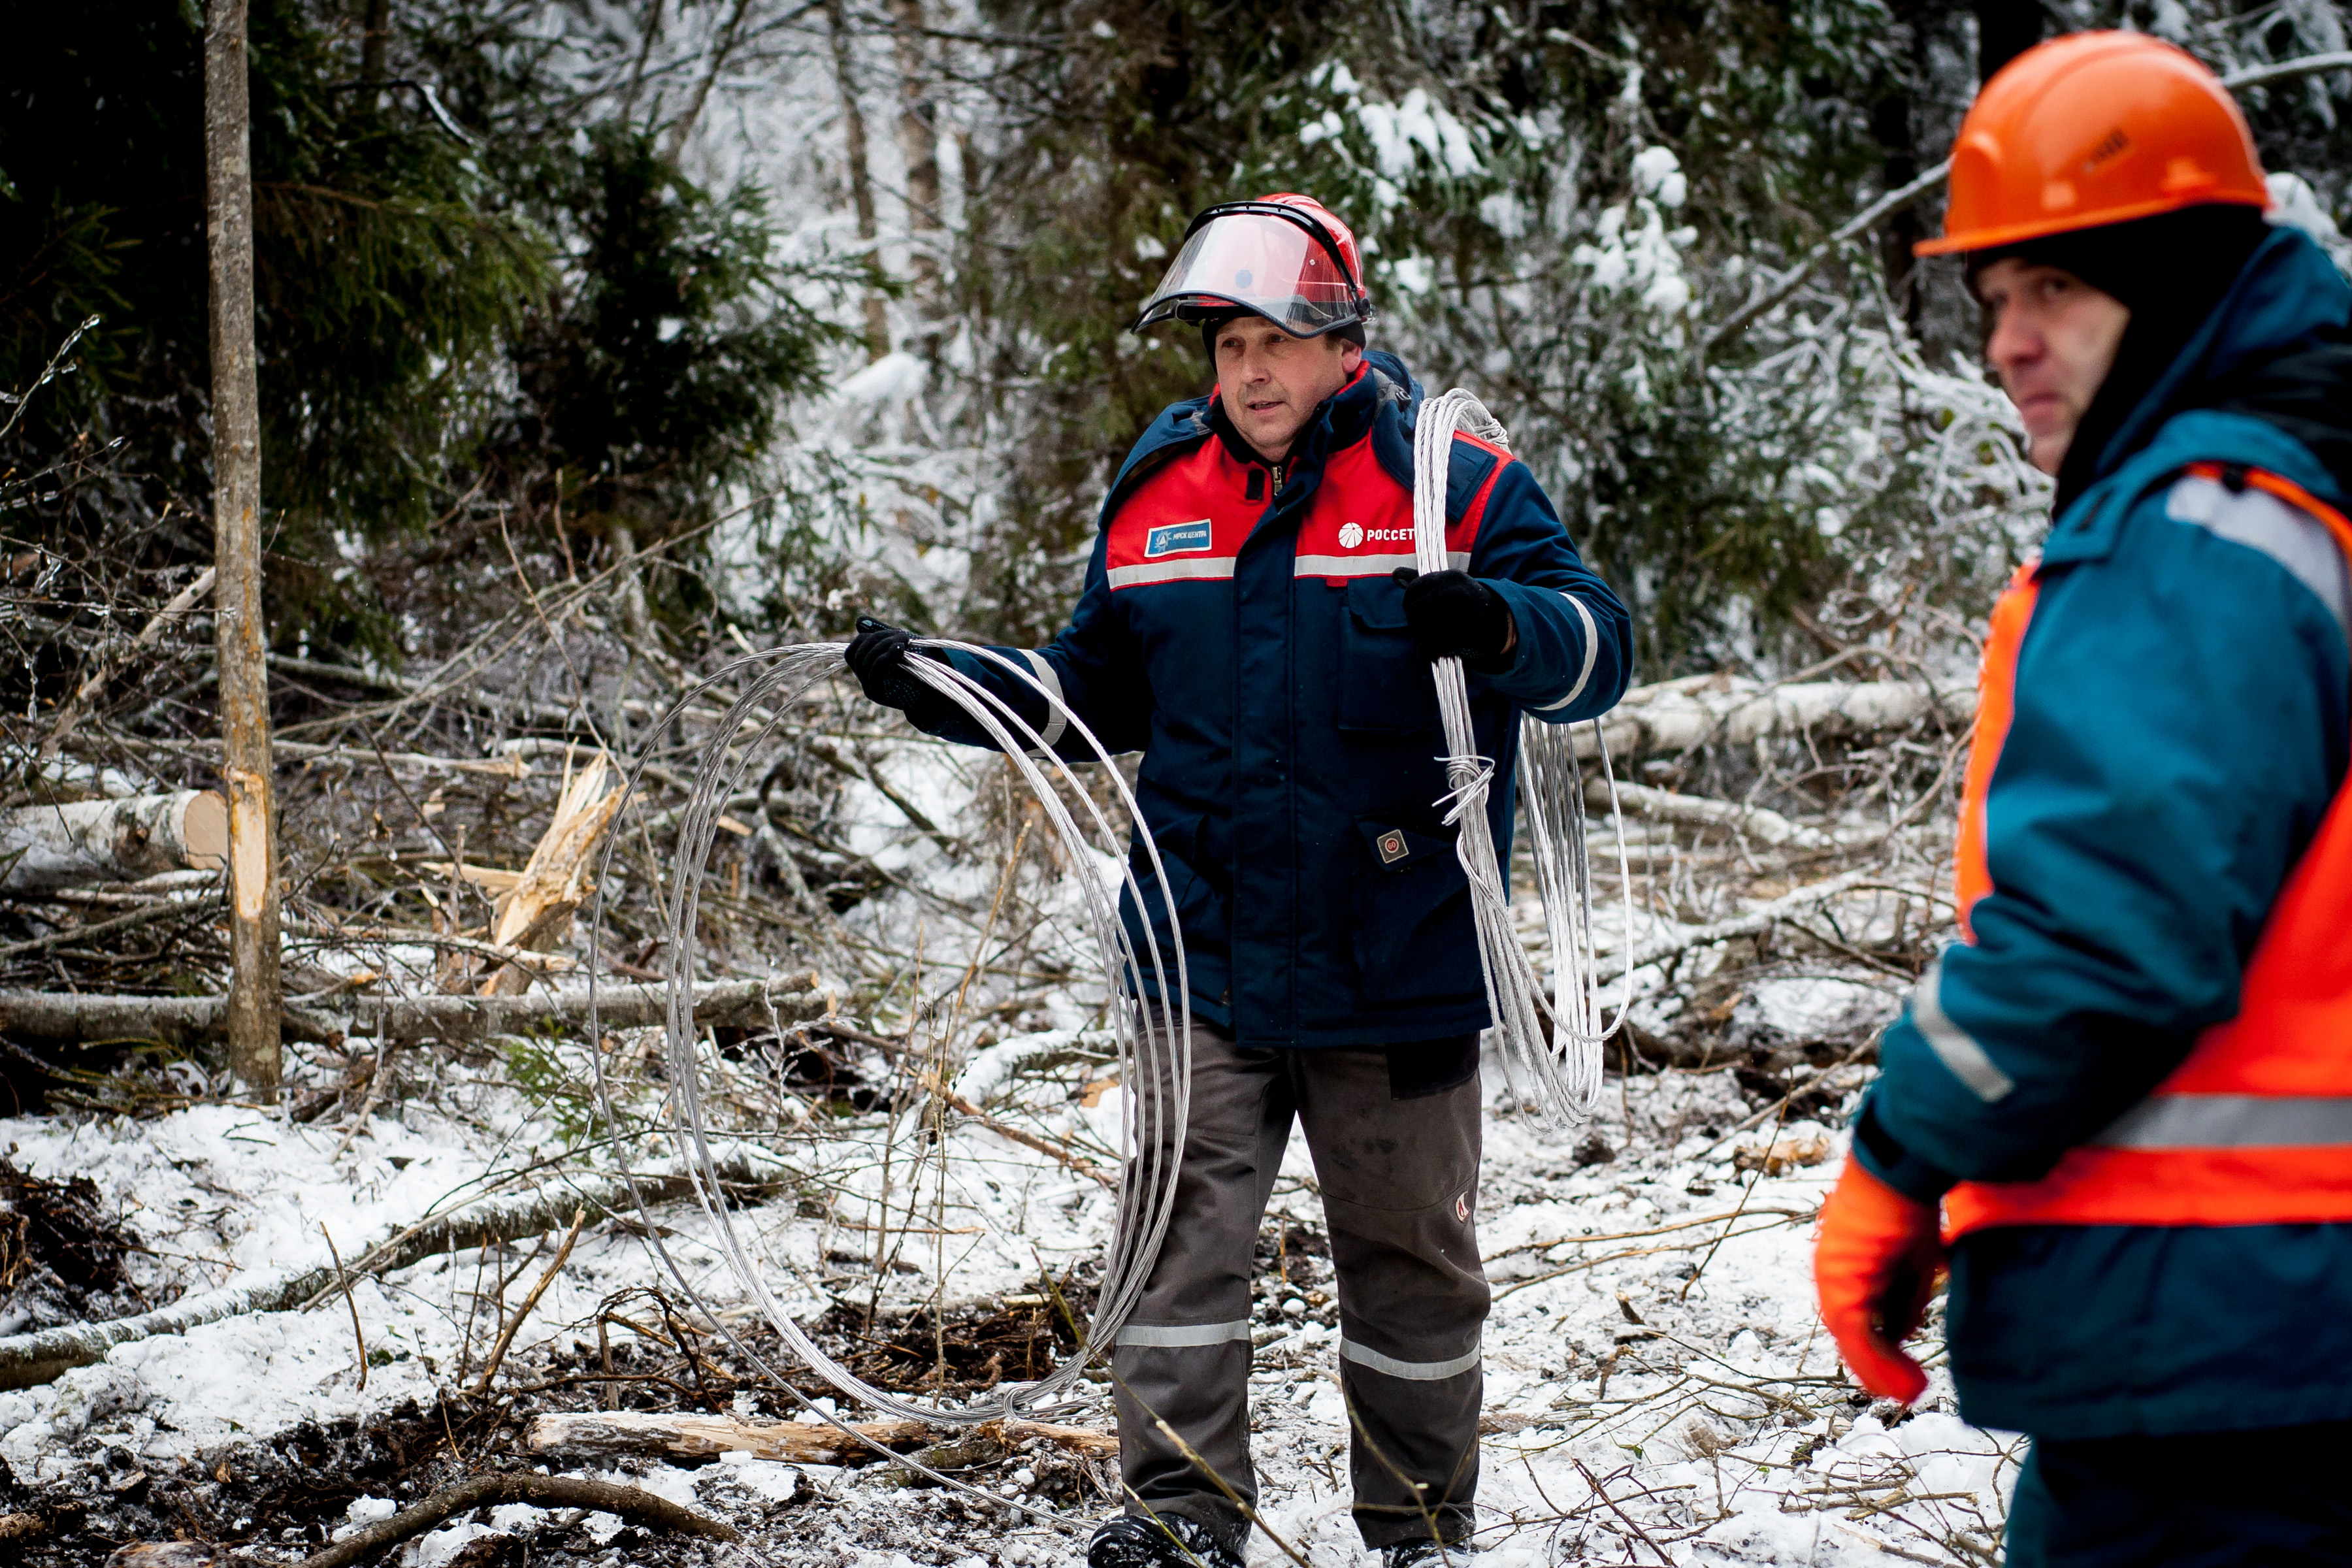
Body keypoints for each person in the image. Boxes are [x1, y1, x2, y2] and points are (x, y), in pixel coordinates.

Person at [847, 193, 1631, 1567]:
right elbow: (1087, 691)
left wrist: (1502, 623)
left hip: (1398, 956)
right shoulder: (1161, 486)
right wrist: (944, 682)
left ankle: (1419, 1530)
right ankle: (1180, 1520)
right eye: (1226, 348)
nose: (1251, 375)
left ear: (1343, 344)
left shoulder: (1456, 483)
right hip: (1198, 949)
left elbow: (1600, 647)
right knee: (1176, 1250)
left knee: (1412, 1270)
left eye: (1277, 342)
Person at [1812, 31, 2352, 1565]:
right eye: (1994, 301)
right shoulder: (2313, 499)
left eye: (2059, 286)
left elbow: (2107, 932)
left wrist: (1900, 1155)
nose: (2010, 343)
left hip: (2222, 1332)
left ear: (2176, 279)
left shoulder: (2200, 526)